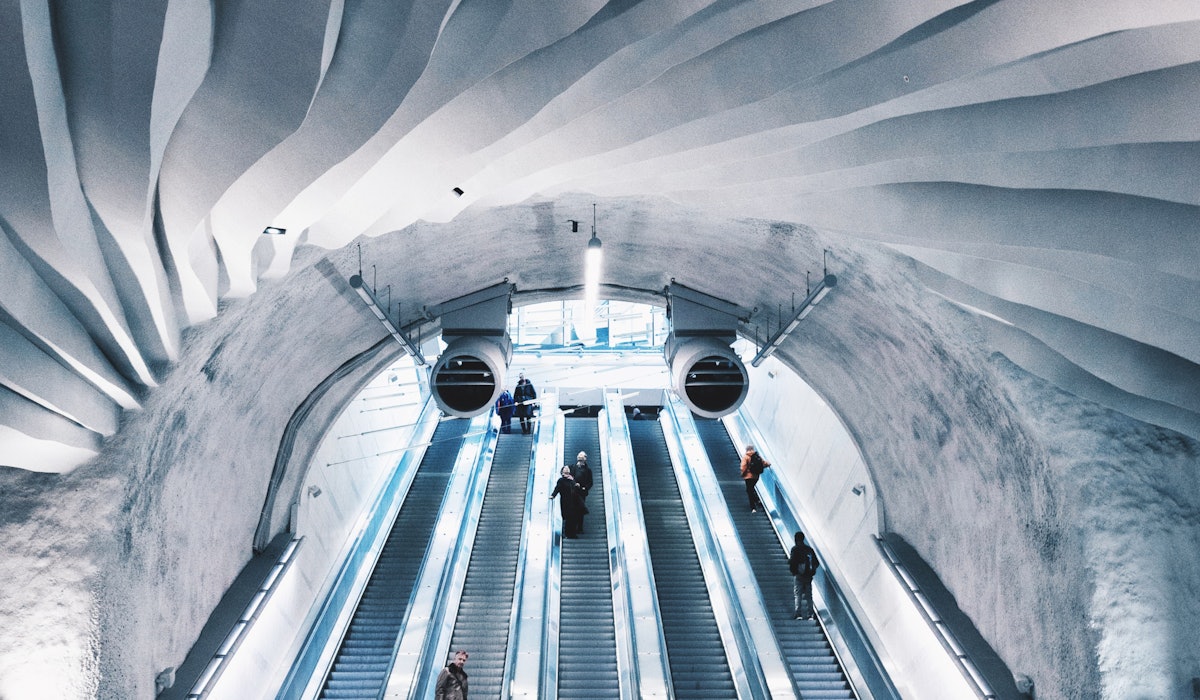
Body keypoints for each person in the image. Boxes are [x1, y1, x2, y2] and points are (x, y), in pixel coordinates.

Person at [788, 531, 820, 620]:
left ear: (796, 539)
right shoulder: (809, 549)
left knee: (798, 595)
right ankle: (811, 614)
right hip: (808, 577)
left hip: (799, 576)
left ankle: (798, 614)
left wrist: (794, 572)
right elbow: (816, 563)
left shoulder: (795, 549)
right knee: (809, 595)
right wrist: (810, 571)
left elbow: (792, 562)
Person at [550, 465, 587, 538]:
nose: (567, 469)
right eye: (565, 468)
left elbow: (576, 489)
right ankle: (567, 533)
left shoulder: (572, 479)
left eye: (568, 468)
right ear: (562, 471)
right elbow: (557, 488)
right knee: (568, 517)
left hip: (574, 501)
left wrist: (577, 485)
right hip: (566, 502)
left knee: (574, 517)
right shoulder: (561, 480)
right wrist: (553, 495)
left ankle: (572, 534)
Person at [739, 445, 770, 512]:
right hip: (755, 476)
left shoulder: (746, 457)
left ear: (746, 450)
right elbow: (763, 463)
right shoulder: (757, 456)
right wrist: (768, 464)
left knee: (749, 491)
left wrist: (742, 474)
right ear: (752, 449)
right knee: (750, 489)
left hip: (748, 477)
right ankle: (757, 501)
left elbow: (743, 467)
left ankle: (753, 507)